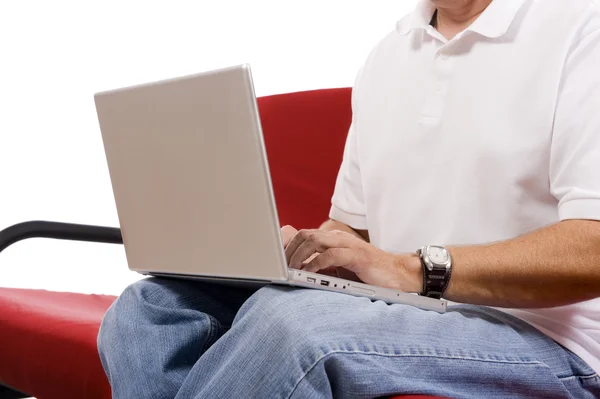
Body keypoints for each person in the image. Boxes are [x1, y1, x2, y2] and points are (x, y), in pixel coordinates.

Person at [97, 0, 600, 397]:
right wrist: (305, 252)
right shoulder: (388, 54)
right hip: (406, 309)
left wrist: (410, 270)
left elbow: (592, 248)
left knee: (293, 325)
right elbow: (351, 229)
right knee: (152, 309)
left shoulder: (582, 28)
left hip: (552, 343)